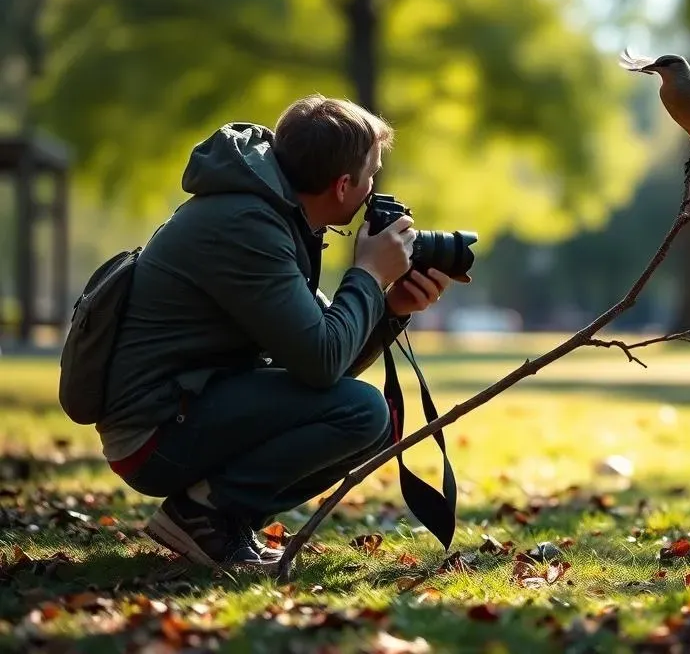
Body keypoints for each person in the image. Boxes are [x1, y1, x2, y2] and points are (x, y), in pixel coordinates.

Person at [95, 95, 452, 569]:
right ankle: (202, 517)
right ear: (343, 185)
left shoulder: (271, 214)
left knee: (372, 419)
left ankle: (219, 520)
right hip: (153, 433)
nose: (372, 191)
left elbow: (320, 357)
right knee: (363, 411)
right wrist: (367, 273)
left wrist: (390, 309)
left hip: (186, 405)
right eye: (371, 176)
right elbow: (322, 363)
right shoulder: (247, 227)